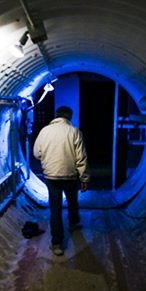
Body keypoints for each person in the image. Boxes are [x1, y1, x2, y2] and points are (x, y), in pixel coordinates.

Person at [33, 105, 90, 256]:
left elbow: (36, 153)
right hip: (70, 175)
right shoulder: (74, 132)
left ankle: (57, 244)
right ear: (69, 117)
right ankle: (73, 223)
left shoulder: (44, 131)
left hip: (51, 176)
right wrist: (84, 178)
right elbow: (81, 158)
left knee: (55, 209)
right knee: (72, 199)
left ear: (56, 116)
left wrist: (47, 159)